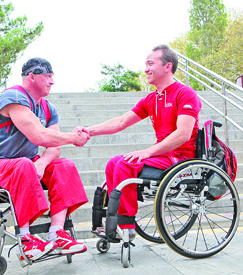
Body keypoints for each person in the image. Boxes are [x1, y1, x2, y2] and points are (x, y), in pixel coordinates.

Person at [0, 57, 90, 260]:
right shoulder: (13, 97)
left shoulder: (47, 108)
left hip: (28, 162)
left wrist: (42, 163)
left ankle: (57, 234)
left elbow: (54, 147)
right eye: (47, 76)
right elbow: (39, 136)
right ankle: (25, 239)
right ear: (32, 76)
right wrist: (73, 138)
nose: (52, 81)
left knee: (64, 166)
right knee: (24, 165)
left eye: (52, 77)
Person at [85, 45, 202, 238]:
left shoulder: (185, 94)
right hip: (163, 155)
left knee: (125, 164)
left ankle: (126, 227)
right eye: (145, 64)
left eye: (150, 63)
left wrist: (148, 152)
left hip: (181, 158)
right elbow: (121, 122)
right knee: (113, 163)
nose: (145, 69)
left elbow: (183, 134)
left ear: (167, 66)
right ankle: (113, 221)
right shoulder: (151, 99)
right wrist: (89, 131)